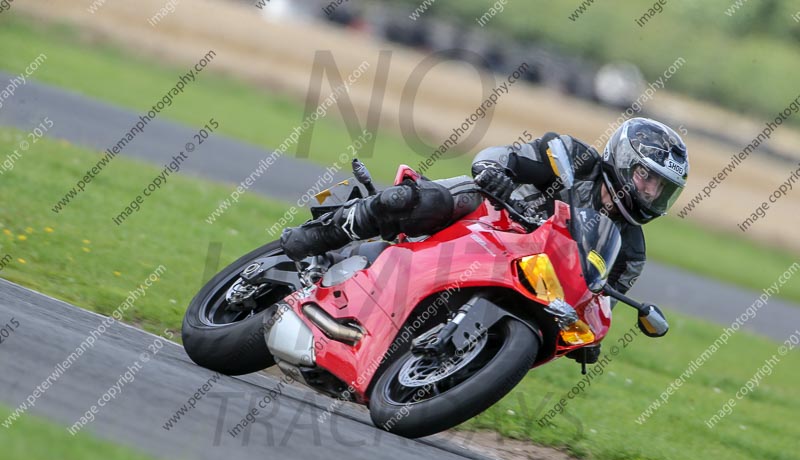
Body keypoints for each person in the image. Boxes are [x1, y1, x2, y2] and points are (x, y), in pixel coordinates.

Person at [280, 117, 689, 299]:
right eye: (646, 177)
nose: (651, 192)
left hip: (526, 276)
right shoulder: (577, 159)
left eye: (661, 188)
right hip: (488, 212)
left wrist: (591, 333)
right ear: (622, 160)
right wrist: (495, 170)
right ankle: (321, 236)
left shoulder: (630, 249)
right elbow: (509, 155)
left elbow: (600, 301)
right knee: (413, 200)